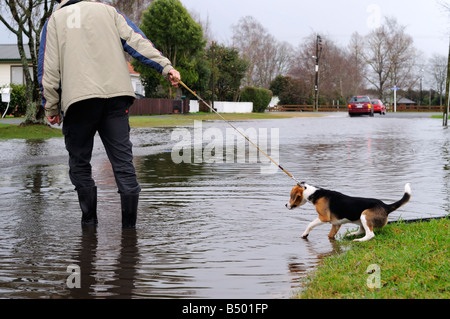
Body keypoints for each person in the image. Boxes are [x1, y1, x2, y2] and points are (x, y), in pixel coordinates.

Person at [38, 0, 181, 228]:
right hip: (116, 98)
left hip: (78, 101)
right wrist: (166, 67)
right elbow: (137, 41)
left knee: (80, 164)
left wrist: (51, 107)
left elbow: (49, 69)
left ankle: (89, 226)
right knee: (124, 164)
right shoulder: (109, 11)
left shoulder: (55, 20)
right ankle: (129, 234)